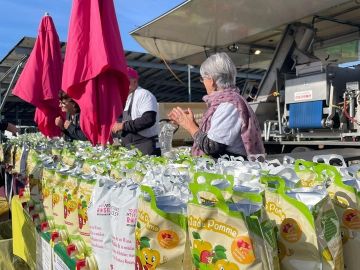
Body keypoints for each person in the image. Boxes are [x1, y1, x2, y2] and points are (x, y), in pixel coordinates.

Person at [169, 52, 265, 159]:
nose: (203, 82)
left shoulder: (228, 105)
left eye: (203, 79)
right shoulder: (228, 102)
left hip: (231, 170)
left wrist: (189, 125)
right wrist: (192, 123)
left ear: (211, 81)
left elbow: (212, 147)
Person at [112, 67, 159, 155]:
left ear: (135, 82)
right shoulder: (126, 98)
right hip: (130, 147)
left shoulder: (144, 95)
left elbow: (148, 119)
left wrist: (123, 125)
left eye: (125, 81)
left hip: (145, 147)